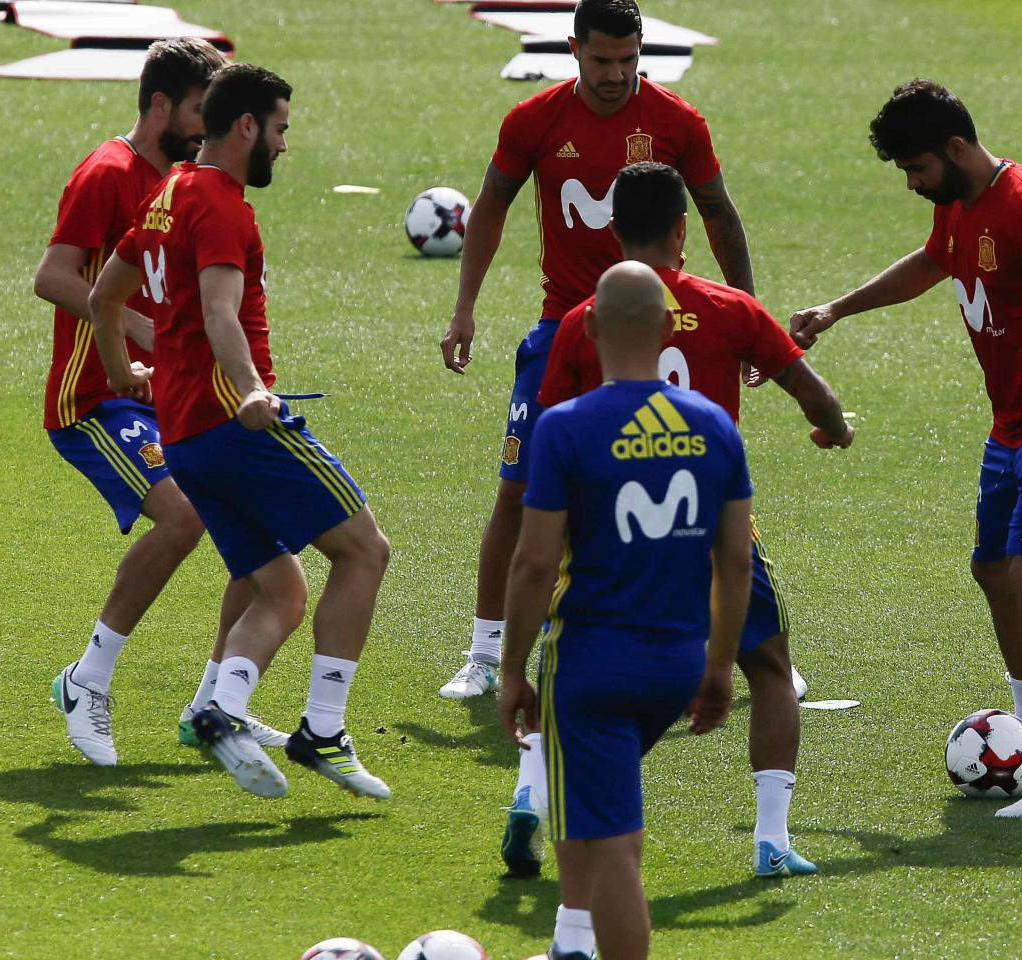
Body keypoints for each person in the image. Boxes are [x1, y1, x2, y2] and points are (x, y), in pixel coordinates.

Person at [789, 80, 1022, 818]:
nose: (911, 183)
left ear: (956, 148)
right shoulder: (961, 206)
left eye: (917, 167)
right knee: (991, 569)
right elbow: (934, 262)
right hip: (1014, 425)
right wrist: (839, 309)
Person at [493, 161, 851, 879]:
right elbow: (812, 393)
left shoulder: (582, 321)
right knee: (771, 668)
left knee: (570, 668)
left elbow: (550, 426)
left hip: (604, 532)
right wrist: (834, 428)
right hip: (711, 533)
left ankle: (534, 790)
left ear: (613, 230)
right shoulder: (732, 310)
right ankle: (772, 840)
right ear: (683, 229)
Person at [435, 0, 762, 705]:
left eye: (628, 59)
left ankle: (750, 645)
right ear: (574, 49)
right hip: (565, 329)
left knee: (704, 483)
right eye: (602, 60)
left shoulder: (678, 122)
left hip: (660, 329)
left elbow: (719, 214)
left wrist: (747, 317)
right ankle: (487, 651)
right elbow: (490, 206)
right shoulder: (534, 121)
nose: (616, 75)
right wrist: (465, 308)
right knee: (519, 491)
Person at [88, 63, 394, 799]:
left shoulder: (165, 195)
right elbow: (222, 312)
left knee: (280, 592)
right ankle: (324, 728)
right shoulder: (223, 205)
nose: (285, 146)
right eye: (282, 128)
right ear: (248, 126)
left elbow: (103, 298)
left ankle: (220, 710)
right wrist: (253, 389)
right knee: (364, 552)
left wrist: (125, 373)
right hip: (236, 423)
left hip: (187, 438)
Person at [36, 38, 289, 765]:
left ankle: (213, 703)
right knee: (181, 515)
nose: (208, 118)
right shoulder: (107, 173)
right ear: (159, 105)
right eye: (196, 106)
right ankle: (88, 678)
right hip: (96, 397)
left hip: (169, 397)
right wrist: (136, 327)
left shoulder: (182, 180)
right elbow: (52, 277)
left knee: (248, 515)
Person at [499, 261, 750, 960]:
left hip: (593, 664)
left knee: (612, 844)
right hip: (677, 661)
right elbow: (734, 563)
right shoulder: (715, 427)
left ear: (586, 325)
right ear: (669, 326)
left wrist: (511, 667)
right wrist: (721, 665)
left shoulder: (567, 428)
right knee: (601, 806)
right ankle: (570, 946)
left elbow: (534, 561)